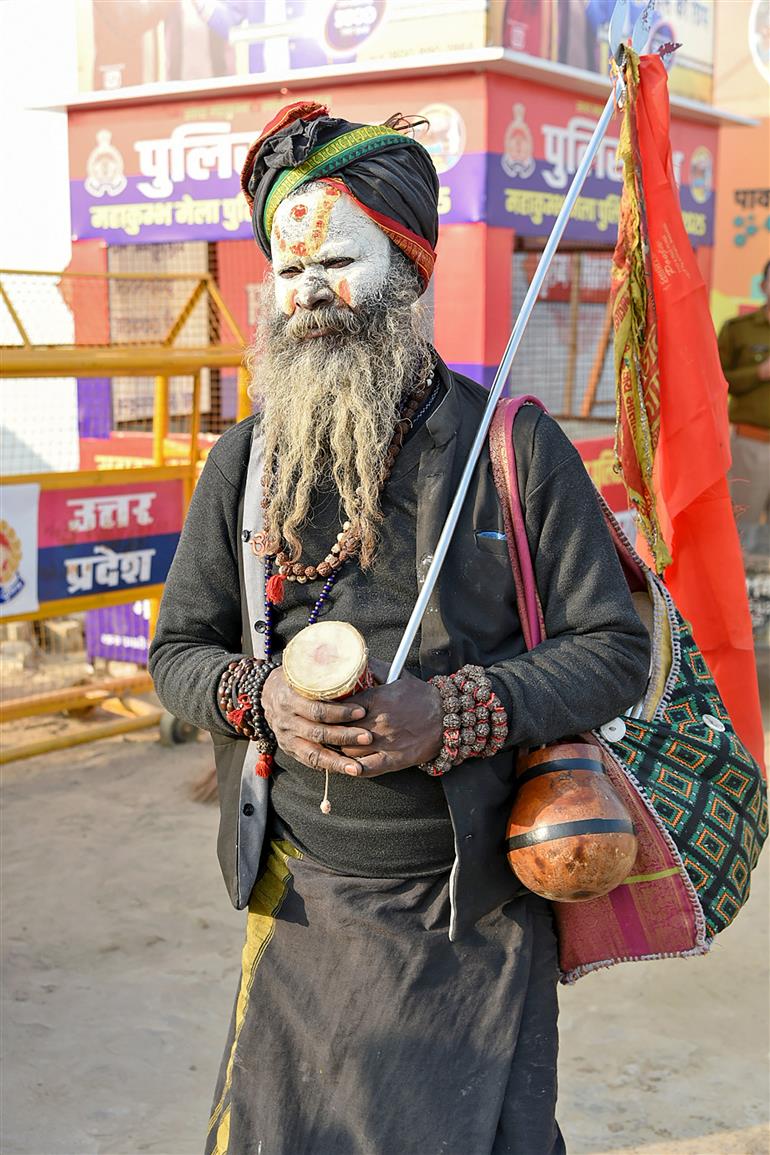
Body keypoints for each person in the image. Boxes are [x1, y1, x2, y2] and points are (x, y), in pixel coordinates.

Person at [149, 102, 650, 1155]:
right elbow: (178, 654)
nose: (310, 295)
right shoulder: (243, 463)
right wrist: (261, 702)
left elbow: (612, 650)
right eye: (287, 274)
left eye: (338, 260)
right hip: (298, 896)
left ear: (412, 267)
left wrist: (458, 711)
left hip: (472, 908)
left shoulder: (507, 444)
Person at [718, 260, 770, 560]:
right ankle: (746, 603)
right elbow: (714, 381)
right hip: (751, 445)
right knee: (743, 533)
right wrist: (757, 374)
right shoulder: (739, 330)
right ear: (763, 286)